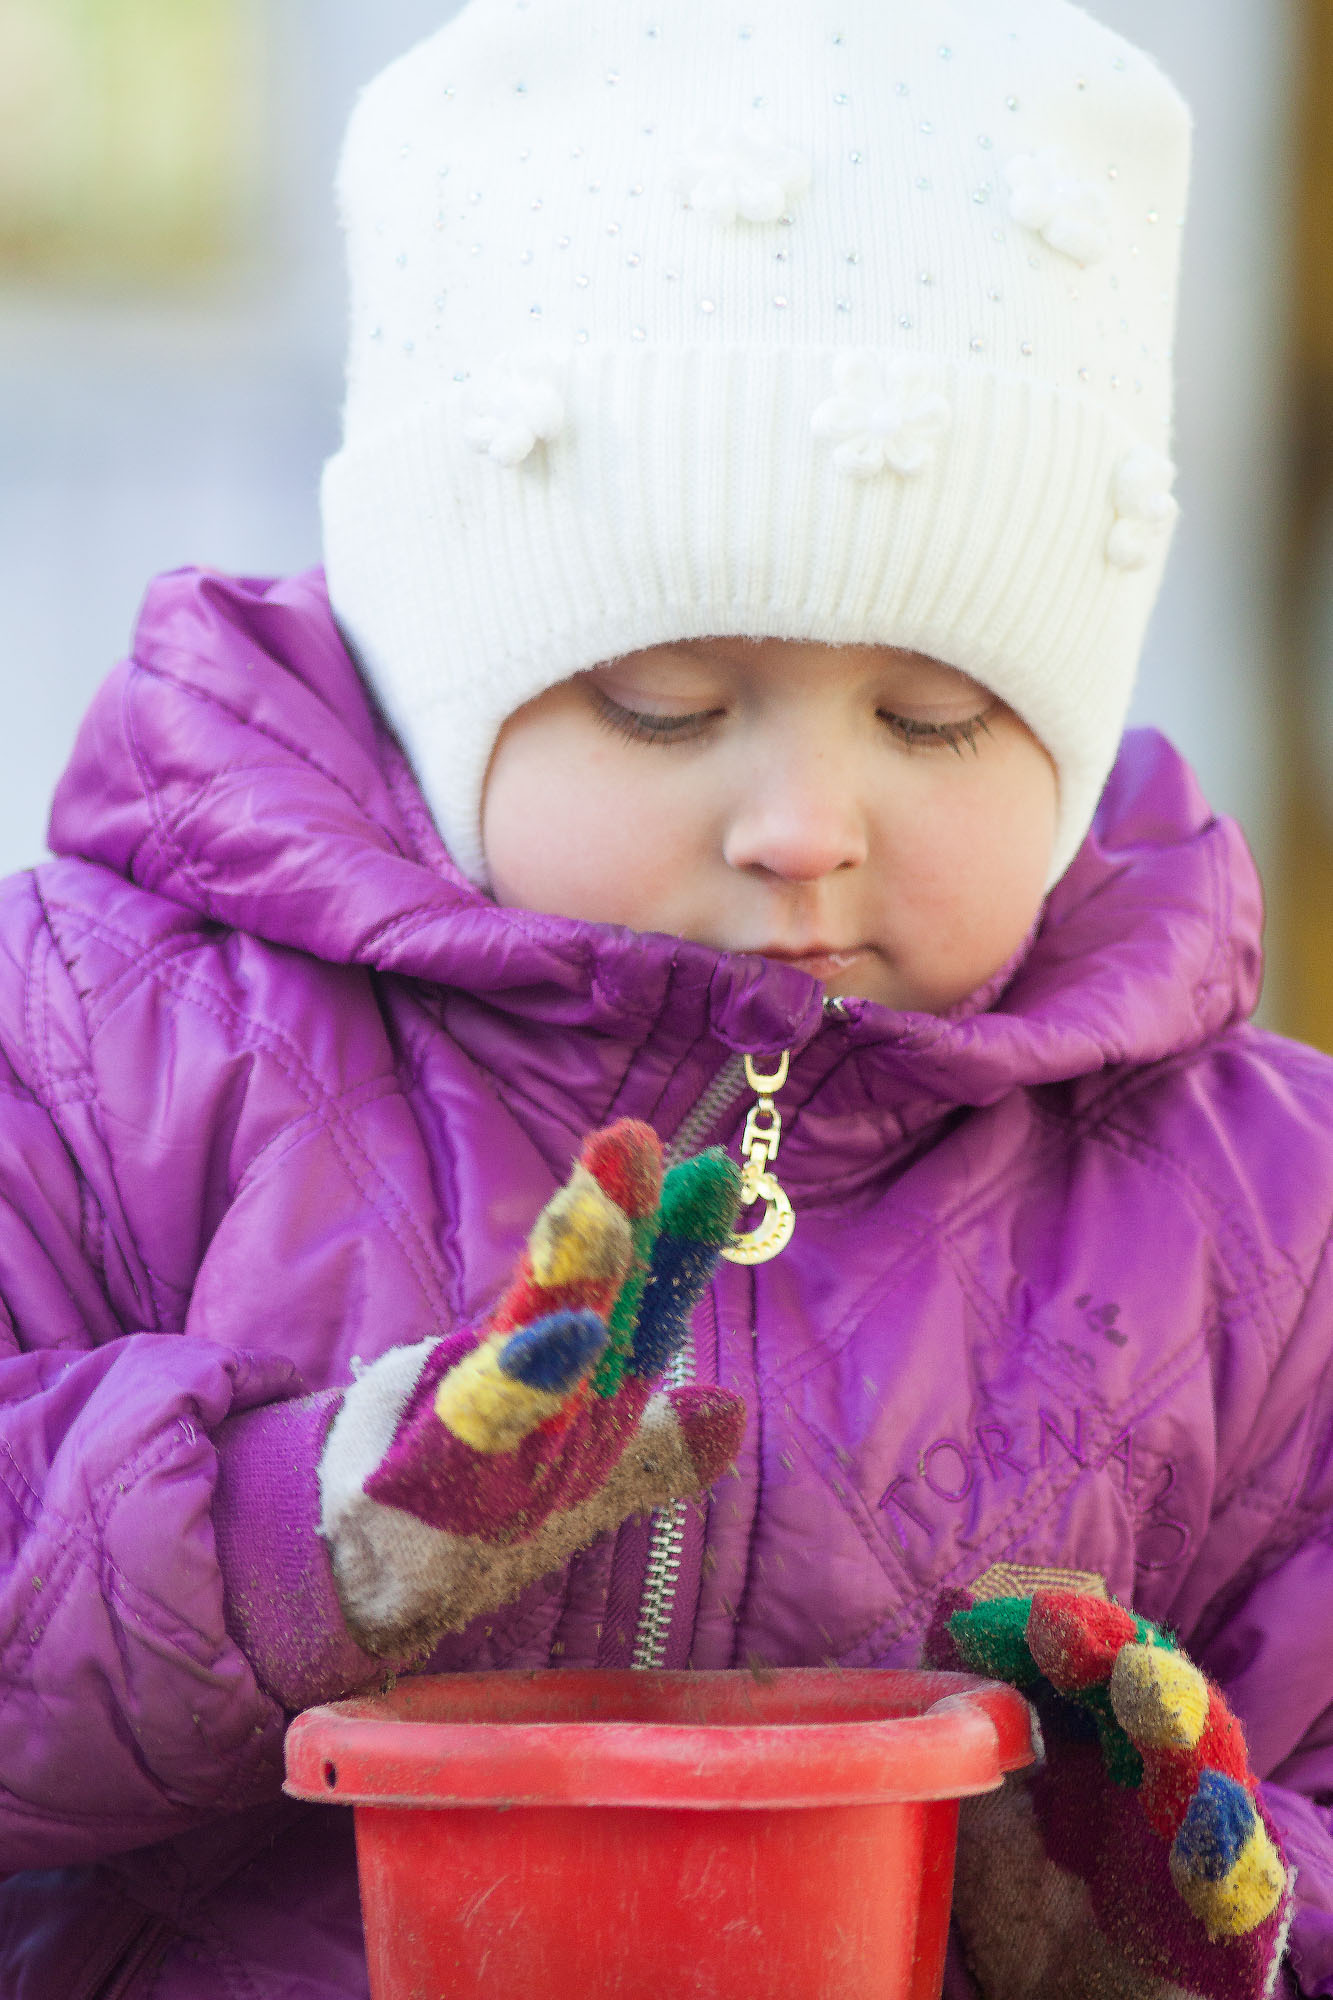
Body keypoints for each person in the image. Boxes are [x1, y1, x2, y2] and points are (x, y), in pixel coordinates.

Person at [1, 0, 1331, 1995]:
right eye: (663, 702)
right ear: (437, 686)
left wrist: (1169, 1916)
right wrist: (303, 1538)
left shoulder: (1263, 1216)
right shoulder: (102, 1051)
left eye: (935, 717)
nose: (802, 823)